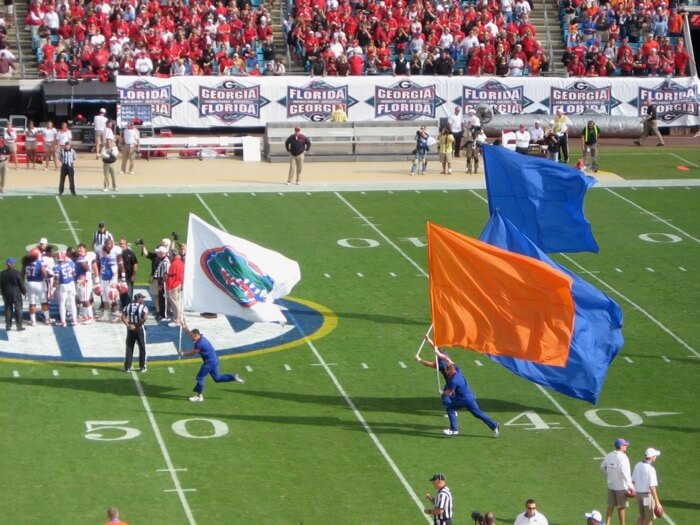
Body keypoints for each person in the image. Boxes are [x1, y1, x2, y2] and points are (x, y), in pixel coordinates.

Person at [181, 325, 245, 402]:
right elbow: (190, 332)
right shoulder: (201, 337)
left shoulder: (199, 344)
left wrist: (182, 353)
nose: (191, 338)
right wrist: (184, 326)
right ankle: (234, 377)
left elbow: (191, 353)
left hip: (209, 363)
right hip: (214, 360)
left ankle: (199, 396)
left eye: (192, 336)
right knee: (217, 378)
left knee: (200, 378)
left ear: (196, 335)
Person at [439, 359, 499, 437]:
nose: (446, 373)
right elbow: (452, 362)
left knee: (450, 408)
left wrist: (442, 392)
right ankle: (494, 425)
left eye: (447, 371)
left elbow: (449, 393)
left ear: (450, 370)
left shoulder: (453, 381)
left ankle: (454, 430)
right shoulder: (458, 371)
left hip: (463, 399)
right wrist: (440, 354)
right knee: (478, 413)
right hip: (470, 396)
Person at [601, 438, 634, 525]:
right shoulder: (623, 457)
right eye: (625, 445)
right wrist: (631, 486)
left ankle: (607, 523)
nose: (627, 446)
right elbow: (625, 472)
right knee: (622, 507)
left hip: (611, 485)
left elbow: (602, 467)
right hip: (621, 487)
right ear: (621, 446)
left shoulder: (609, 455)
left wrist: (609, 474)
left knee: (610, 506)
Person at [631, 448, 663, 525]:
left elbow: (633, 481)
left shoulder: (638, 465)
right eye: (655, 456)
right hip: (646, 496)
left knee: (642, 516)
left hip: (638, 494)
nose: (655, 457)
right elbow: (652, 487)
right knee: (649, 518)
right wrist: (657, 502)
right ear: (651, 457)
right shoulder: (651, 469)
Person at [121, 293, 148, 372]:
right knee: (142, 347)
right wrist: (136, 326)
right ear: (138, 299)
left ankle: (127, 367)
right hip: (139, 328)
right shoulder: (143, 307)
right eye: (142, 298)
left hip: (130, 329)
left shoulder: (128, 306)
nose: (143, 300)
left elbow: (122, 316)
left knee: (129, 347)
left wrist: (128, 325)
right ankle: (142, 366)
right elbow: (144, 318)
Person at [1, 257, 26, 331]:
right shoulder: (17, 273)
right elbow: (21, 284)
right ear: (12, 264)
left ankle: (8, 326)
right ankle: (19, 326)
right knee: (18, 310)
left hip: (6, 293)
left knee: (8, 309)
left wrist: (2, 292)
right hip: (16, 293)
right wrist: (24, 292)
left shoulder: (2, 274)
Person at [53, 251, 77, 327]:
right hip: (71, 284)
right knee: (72, 302)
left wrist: (52, 290)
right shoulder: (71, 263)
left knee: (62, 304)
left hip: (63, 285)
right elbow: (74, 274)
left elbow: (56, 280)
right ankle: (75, 320)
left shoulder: (57, 267)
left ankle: (63, 322)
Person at [165, 249, 184, 327]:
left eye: (170, 255)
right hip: (178, 284)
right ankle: (177, 318)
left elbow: (171, 275)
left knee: (175, 303)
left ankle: (177, 320)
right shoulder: (180, 262)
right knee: (177, 302)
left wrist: (168, 286)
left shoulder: (174, 264)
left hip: (173, 285)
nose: (169, 256)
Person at [118, 239, 138, 309]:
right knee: (121, 293)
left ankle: (128, 308)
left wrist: (133, 275)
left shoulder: (131, 253)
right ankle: (123, 307)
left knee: (128, 293)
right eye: (120, 243)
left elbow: (135, 264)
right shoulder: (118, 253)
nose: (121, 245)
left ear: (126, 244)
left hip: (129, 276)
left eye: (122, 243)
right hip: (120, 276)